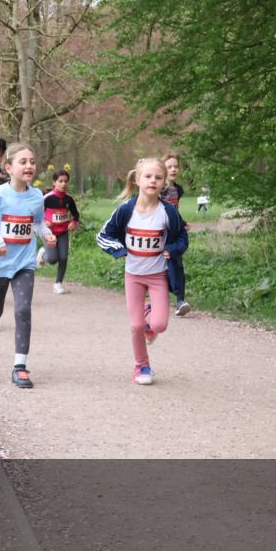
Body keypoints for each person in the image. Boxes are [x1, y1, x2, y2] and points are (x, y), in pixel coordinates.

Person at [96, 158, 189, 386]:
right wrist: (118, 249)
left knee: (159, 325)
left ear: (164, 182)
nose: (153, 181)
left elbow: (182, 236)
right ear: (138, 180)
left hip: (158, 276)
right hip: (133, 276)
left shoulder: (168, 211)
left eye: (158, 177)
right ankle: (142, 365)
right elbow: (103, 235)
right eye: (148, 176)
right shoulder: (126, 209)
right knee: (136, 326)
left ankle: (149, 312)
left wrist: (172, 249)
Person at [0, 143, 55, 389]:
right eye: (23, 162)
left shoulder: (36, 196)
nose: (29, 166)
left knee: (23, 309)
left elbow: (37, 223)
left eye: (32, 162)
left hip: (24, 263)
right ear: (8, 167)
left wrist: (46, 234)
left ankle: (20, 366)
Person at [38, 168, 80, 294]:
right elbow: (36, 215)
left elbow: (76, 215)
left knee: (63, 257)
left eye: (66, 181)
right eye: (60, 181)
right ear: (54, 182)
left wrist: (73, 222)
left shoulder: (69, 199)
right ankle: (42, 254)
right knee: (52, 259)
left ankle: (58, 283)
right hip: (49, 233)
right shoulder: (47, 198)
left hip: (62, 232)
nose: (63, 184)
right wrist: (44, 222)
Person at [161, 154, 191, 316]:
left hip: (174, 233)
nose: (173, 169)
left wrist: (182, 223)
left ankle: (180, 301)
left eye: (176, 166)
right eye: (169, 166)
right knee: (162, 267)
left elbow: (174, 211)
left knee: (177, 264)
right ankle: (157, 298)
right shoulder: (158, 189)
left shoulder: (178, 190)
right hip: (159, 233)